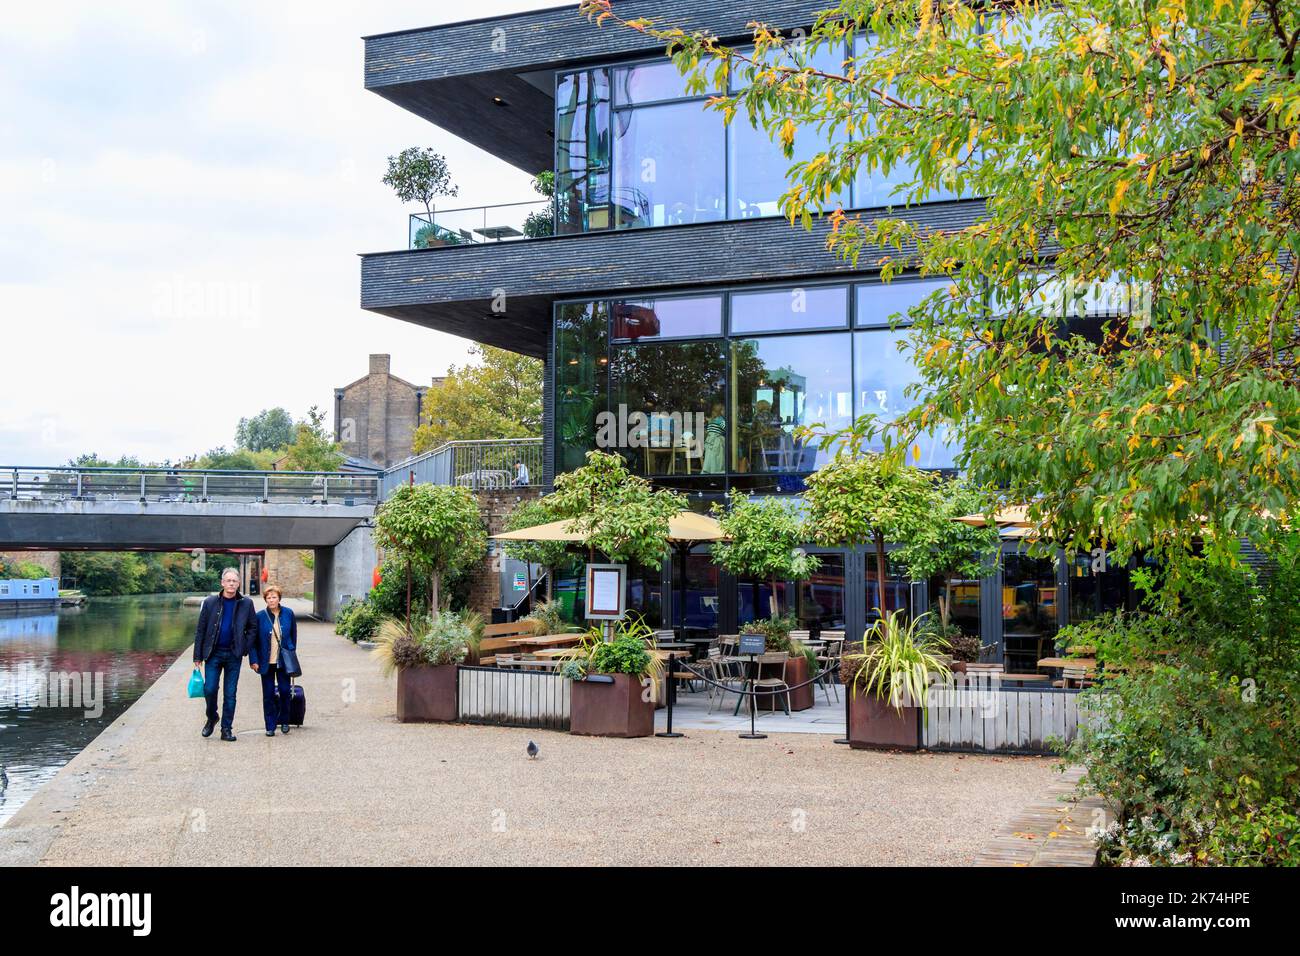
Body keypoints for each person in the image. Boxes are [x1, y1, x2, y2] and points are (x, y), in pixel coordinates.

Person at [193, 568, 258, 741]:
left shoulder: (246, 603)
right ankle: (212, 717)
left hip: (233, 655)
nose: (231, 584)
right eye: (228, 580)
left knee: (230, 694)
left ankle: (226, 729)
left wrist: (244, 648)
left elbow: (253, 628)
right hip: (213, 654)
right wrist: (197, 656)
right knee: (210, 689)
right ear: (222, 583)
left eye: (234, 581)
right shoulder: (210, 602)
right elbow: (200, 630)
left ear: (238, 583)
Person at [250, 584, 298, 737]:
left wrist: (290, 652)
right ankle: (270, 725)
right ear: (265, 599)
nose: (271, 600)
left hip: (283, 661)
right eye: (268, 597)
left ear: (279, 598)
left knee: (285, 691)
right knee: (268, 695)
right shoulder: (260, 616)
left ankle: (284, 721)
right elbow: (253, 642)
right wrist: (254, 660)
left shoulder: (289, 614)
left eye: (274, 597)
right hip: (266, 662)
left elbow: (293, 636)